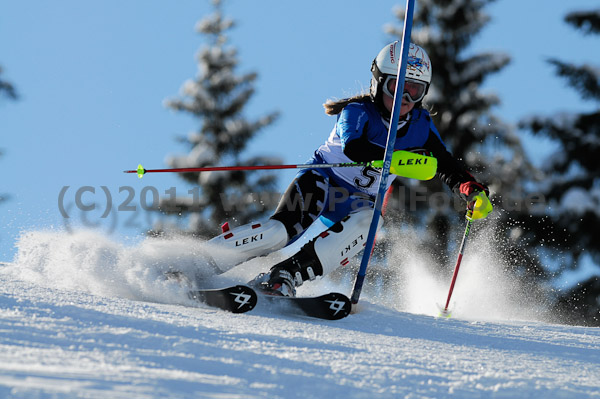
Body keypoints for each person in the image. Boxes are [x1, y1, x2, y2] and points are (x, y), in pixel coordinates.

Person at [207, 41, 492, 296]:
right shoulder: (357, 111)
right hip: (323, 180)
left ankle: (285, 276)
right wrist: (396, 158)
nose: (404, 99)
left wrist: (469, 189)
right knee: (281, 233)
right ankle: (207, 259)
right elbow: (354, 147)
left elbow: (445, 164)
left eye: (414, 92)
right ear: (379, 83)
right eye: (397, 87)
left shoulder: (420, 126)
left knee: (371, 222)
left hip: (358, 202)